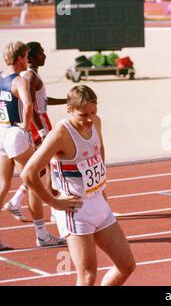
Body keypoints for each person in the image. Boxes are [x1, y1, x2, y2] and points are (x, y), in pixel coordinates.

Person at [21, 85, 136, 285]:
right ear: (69, 109)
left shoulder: (95, 123)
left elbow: (99, 152)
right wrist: (54, 203)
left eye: (93, 112)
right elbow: (28, 174)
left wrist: (102, 187)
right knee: (87, 276)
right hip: (76, 211)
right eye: (84, 115)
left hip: (98, 203)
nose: (90, 119)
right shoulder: (60, 134)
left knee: (126, 265)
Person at [0, 41, 65, 250]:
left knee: (3, 184)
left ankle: (33, 221)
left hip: (2, 132)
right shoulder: (20, 81)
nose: (27, 59)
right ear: (20, 58)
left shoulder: (1, 78)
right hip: (16, 134)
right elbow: (29, 105)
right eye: (26, 55)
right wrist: (26, 129)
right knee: (35, 179)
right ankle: (42, 234)